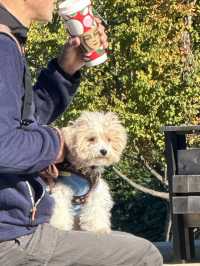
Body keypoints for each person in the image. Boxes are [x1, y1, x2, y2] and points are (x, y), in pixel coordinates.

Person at [0, 0, 163, 265]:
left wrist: (65, 71)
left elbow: (20, 122)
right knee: (143, 255)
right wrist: (60, 143)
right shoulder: (3, 47)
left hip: (16, 226)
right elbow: (3, 144)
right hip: (12, 235)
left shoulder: (8, 41)